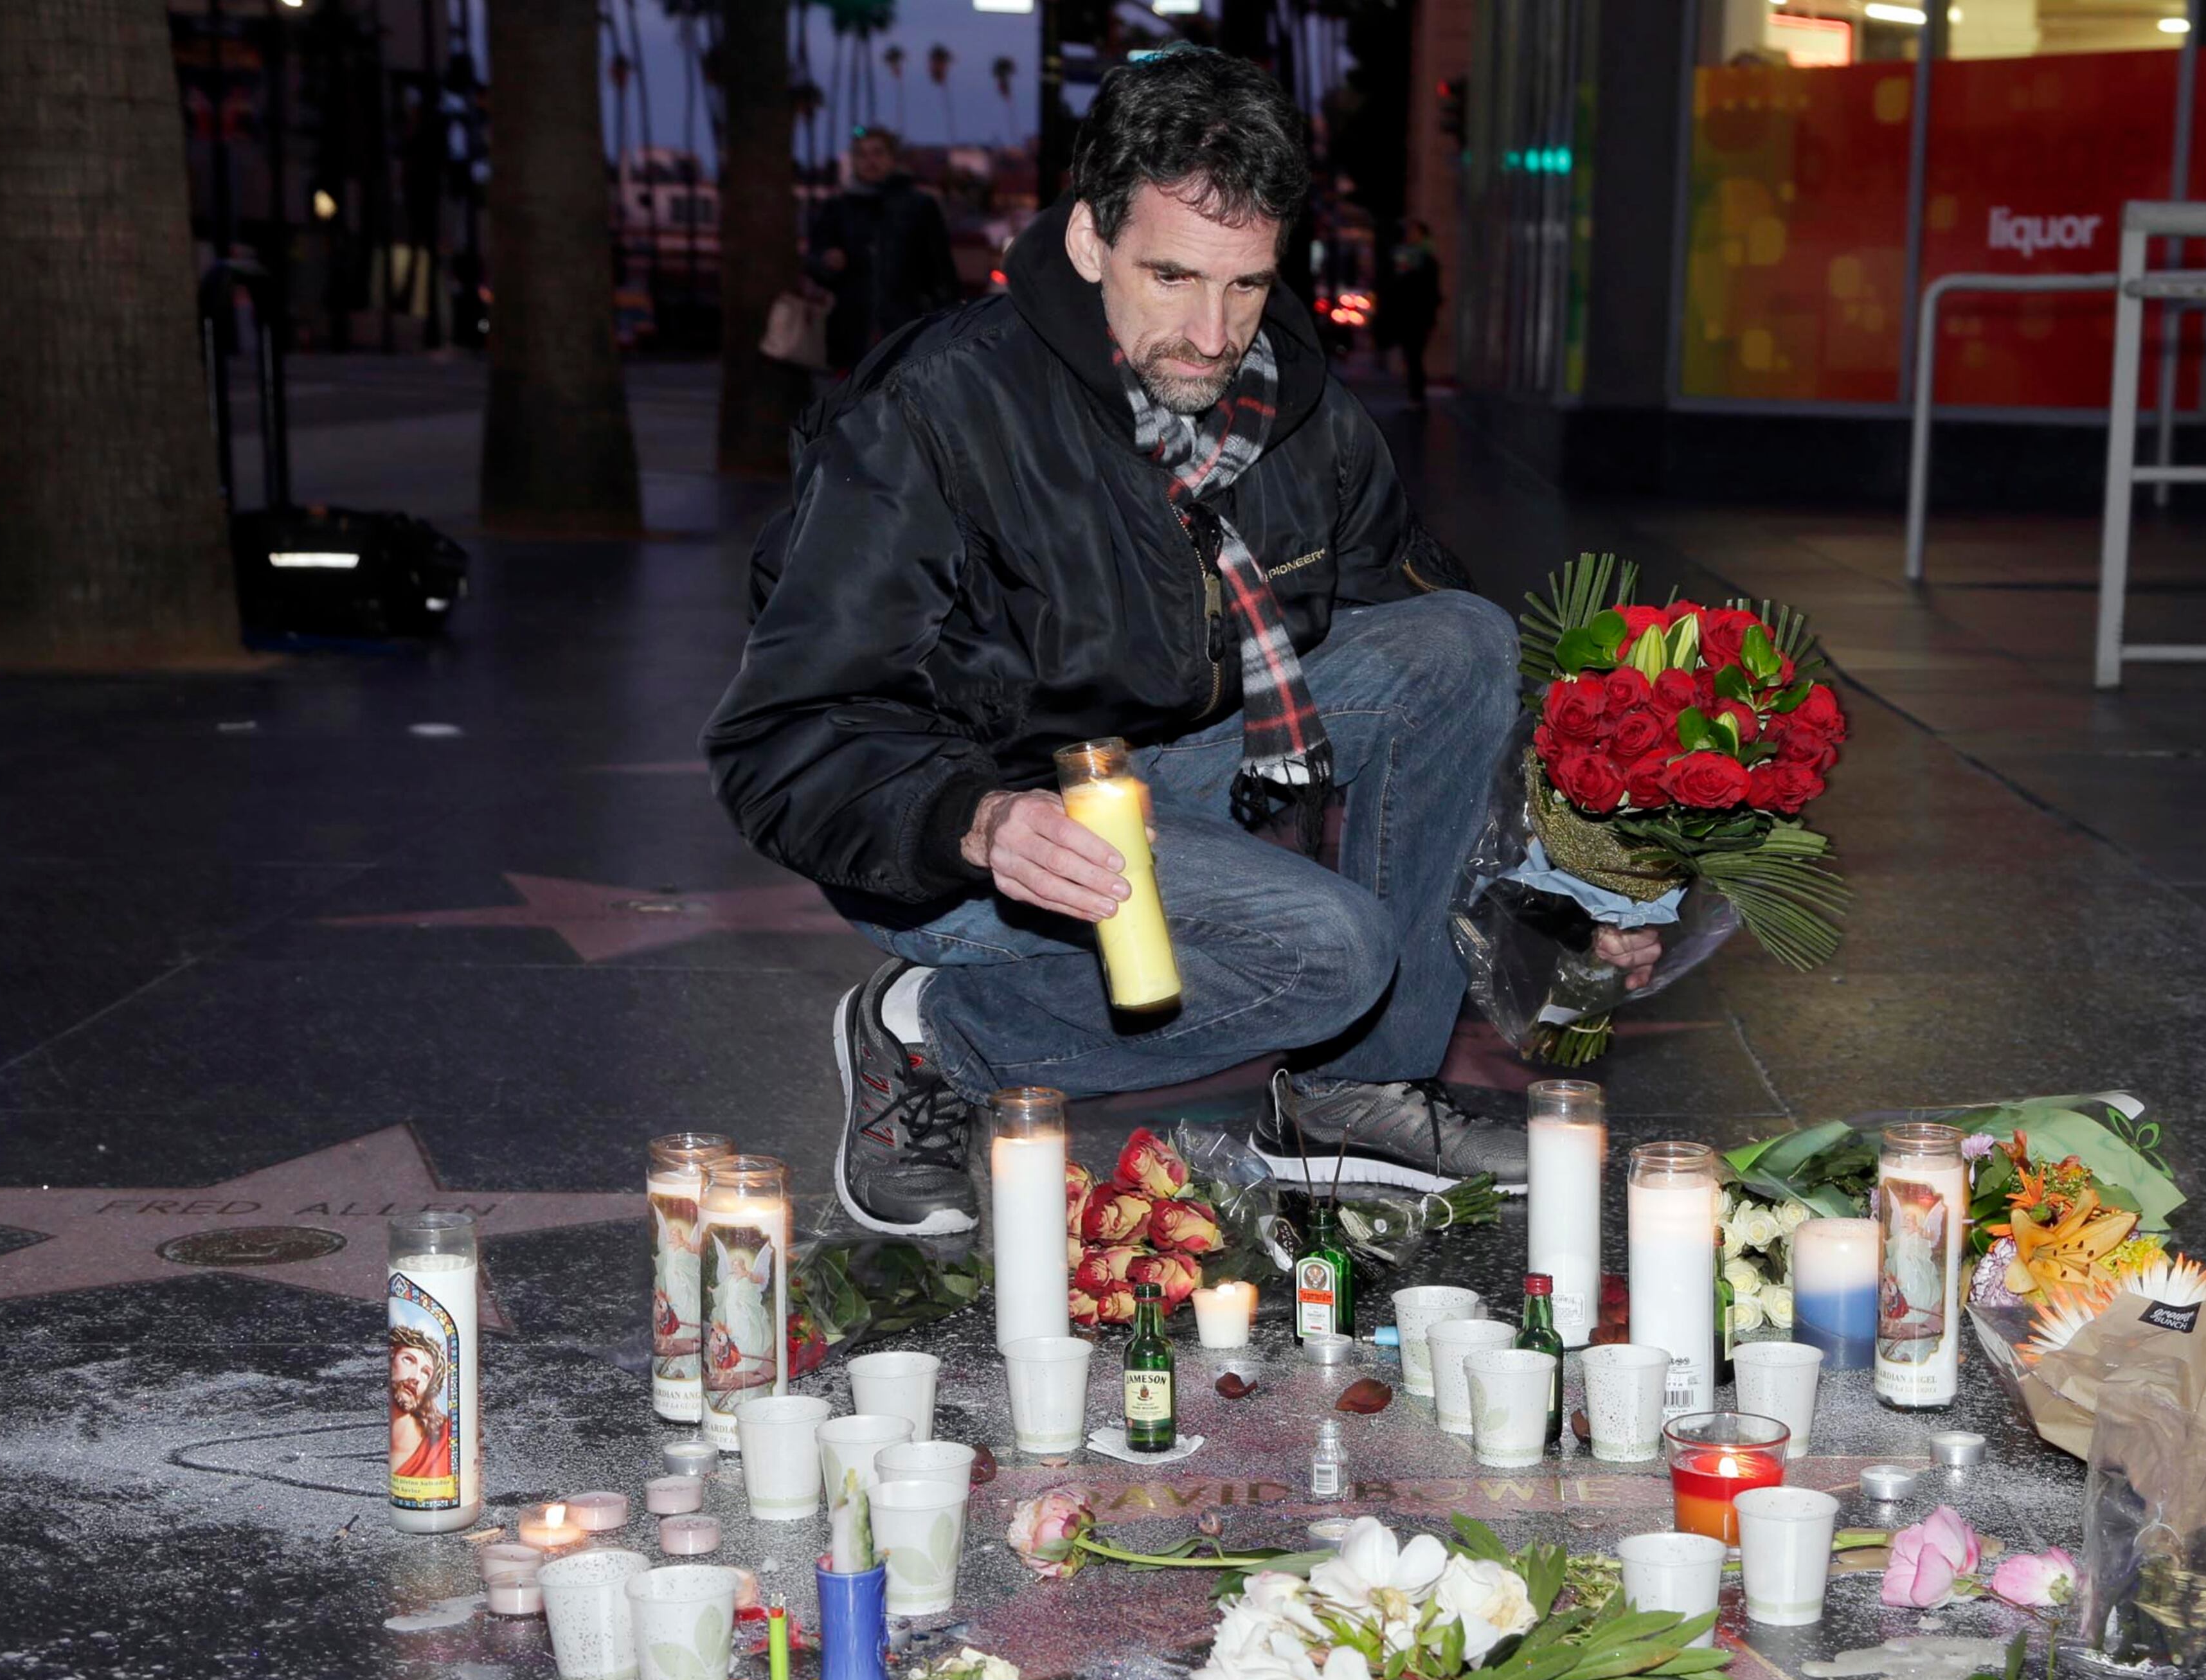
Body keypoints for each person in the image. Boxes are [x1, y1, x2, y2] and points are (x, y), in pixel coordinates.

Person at [705, 49, 1659, 1238]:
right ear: (1088, 240)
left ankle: (1346, 1101)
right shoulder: (940, 414)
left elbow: (1439, 696)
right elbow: (786, 737)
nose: (1212, 335)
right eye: (1171, 276)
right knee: (1332, 953)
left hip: (1170, 781)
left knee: (1459, 642)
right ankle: (931, 1037)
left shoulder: (1302, 411)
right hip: (965, 837)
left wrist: (1562, 902)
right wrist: (978, 819)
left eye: (1248, 285)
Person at [807, 127, 961, 372]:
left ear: (892, 158)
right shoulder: (838, 208)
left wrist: (945, 321)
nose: (870, 162)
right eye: (862, 155)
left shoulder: (919, 206)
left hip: (908, 327)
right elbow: (815, 260)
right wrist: (827, 263)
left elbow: (941, 270)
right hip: (852, 330)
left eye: (877, 153)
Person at [1380, 220, 1442, 407]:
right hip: (1409, 315)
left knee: (1414, 355)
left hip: (1417, 316)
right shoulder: (1406, 257)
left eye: (1413, 232)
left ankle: (1417, 395)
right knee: (1412, 355)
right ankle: (1415, 394)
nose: (1409, 235)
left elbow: (1427, 289)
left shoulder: (1423, 259)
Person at [388, 1323, 453, 1482]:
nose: (416, 1378)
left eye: (426, 1373)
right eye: (409, 1360)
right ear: (390, 1359)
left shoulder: (447, 1438)